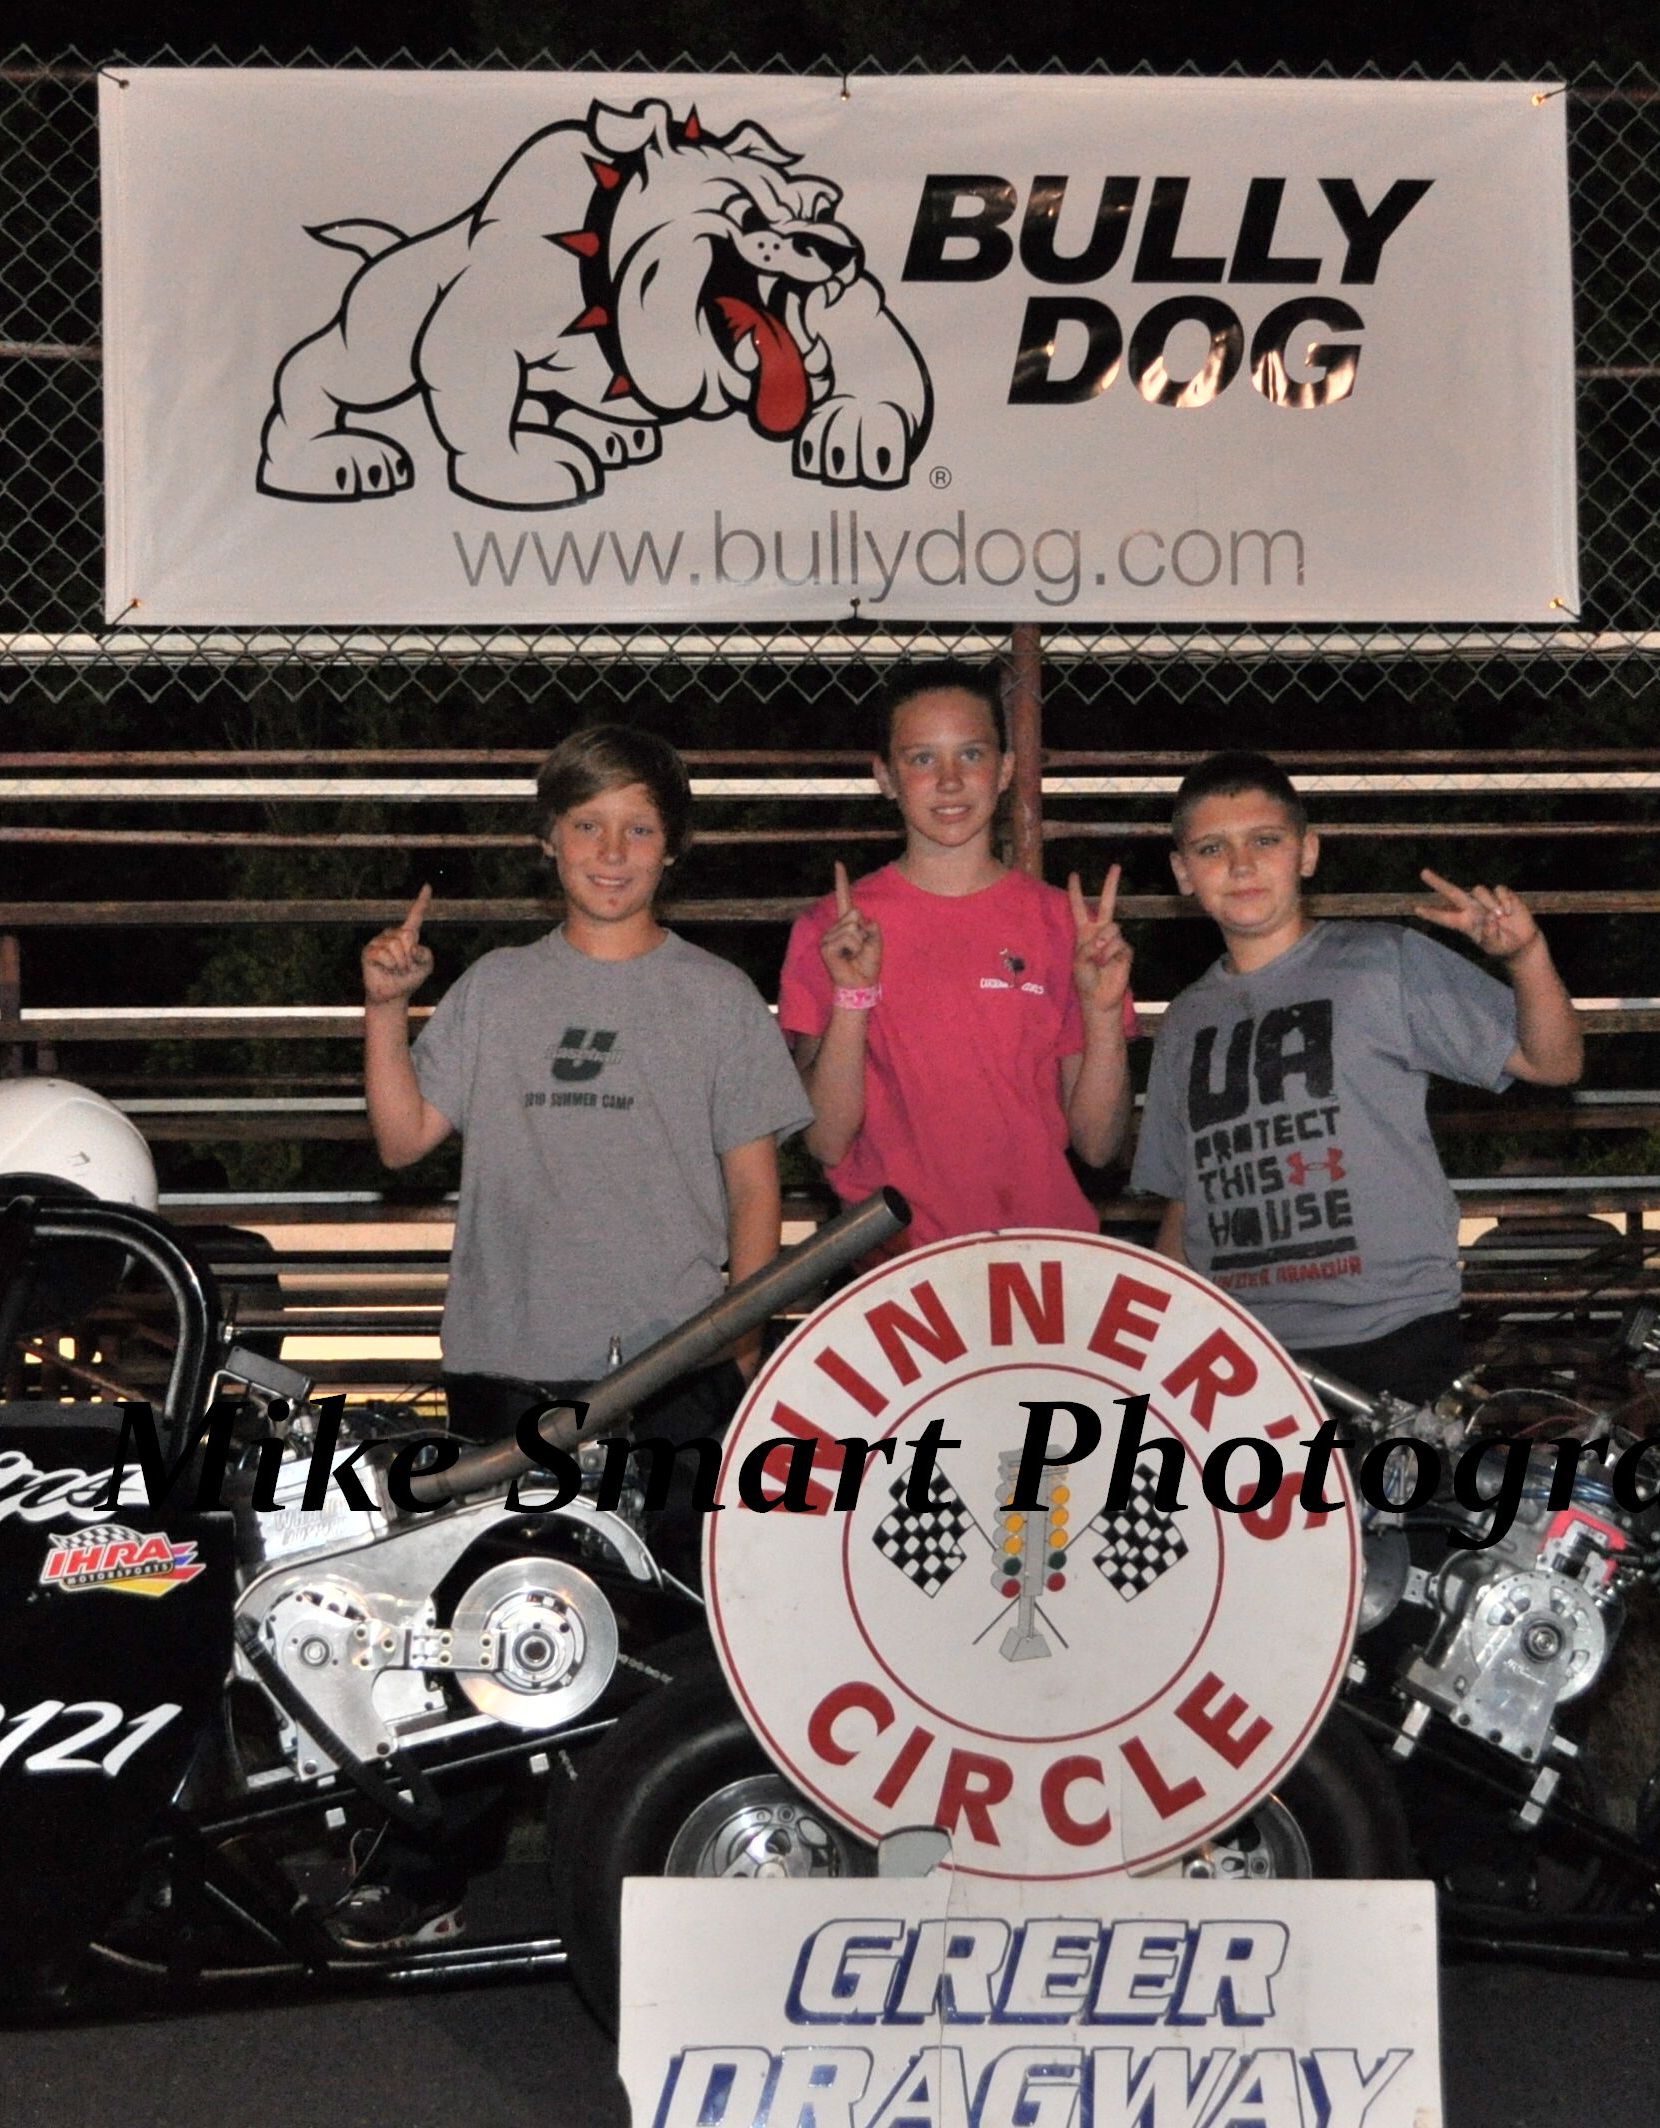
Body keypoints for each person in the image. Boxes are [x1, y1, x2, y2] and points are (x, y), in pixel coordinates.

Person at [350, 724, 808, 1943]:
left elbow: (754, 1188)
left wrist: (737, 1346)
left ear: (674, 849)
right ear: (547, 840)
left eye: (639, 828)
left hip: (671, 1369)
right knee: (487, 1620)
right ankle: (426, 1873)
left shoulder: (716, 996)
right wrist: (385, 1010)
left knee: (686, 1629)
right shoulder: (497, 987)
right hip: (510, 1360)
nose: (613, 850)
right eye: (589, 826)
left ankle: (711, 1852)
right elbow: (403, 1138)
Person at [1128, 750, 1585, 1405]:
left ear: (1307, 852)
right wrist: (1158, 1344)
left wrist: (1527, 957)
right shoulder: (1184, 1020)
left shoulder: (1382, 961)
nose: (1241, 864)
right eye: (1211, 848)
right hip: (1243, 1351)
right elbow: (1184, 1198)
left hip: (1393, 1334)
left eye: (1265, 840)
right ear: (1182, 872)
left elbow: (1555, 1062)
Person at [778, 659, 1135, 1253]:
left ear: (1006, 769)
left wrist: (1101, 1015)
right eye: (922, 759)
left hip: (1042, 1253)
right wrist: (853, 996)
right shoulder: (836, 928)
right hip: (897, 1264)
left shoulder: (1065, 925)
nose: (949, 781)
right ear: (885, 777)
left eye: (971, 754)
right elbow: (826, 1141)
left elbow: (1099, 1146)